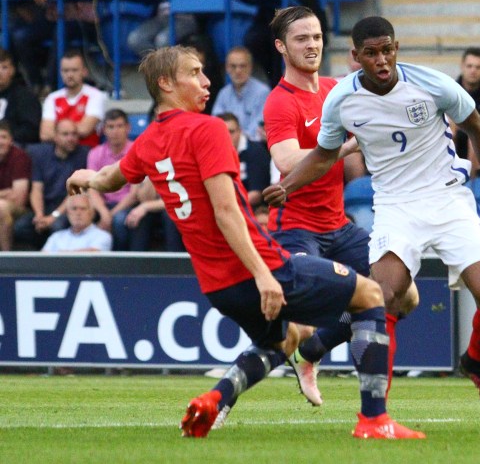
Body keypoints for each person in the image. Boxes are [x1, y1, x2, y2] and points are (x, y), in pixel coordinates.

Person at [66, 45, 424, 440]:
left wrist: (91, 177)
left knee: (282, 339)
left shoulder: (149, 140)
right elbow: (226, 212)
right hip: (264, 266)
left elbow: (117, 175)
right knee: (370, 294)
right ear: (166, 83)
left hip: (218, 286)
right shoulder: (209, 129)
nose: (206, 82)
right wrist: (264, 276)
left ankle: (215, 401)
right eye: (195, 73)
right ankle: (375, 420)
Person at [263, 16, 480, 417]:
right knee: (382, 299)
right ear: (355, 57)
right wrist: (289, 185)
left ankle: (474, 362)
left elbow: (478, 128)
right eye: (372, 53)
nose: (382, 60)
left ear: (396, 47)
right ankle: (375, 413)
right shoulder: (342, 99)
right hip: (396, 205)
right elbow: (326, 155)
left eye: (388, 50)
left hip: (447, 198)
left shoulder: (431, 84)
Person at [258, 5, 377, 412]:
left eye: (317, 37)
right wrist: (347, 145)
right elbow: (290, 162)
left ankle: (313, 351)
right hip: (295, 229)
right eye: (301, 39)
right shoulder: (279, 103)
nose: (312, 45)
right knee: (297, 324)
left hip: (338, 226)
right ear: (281, 46)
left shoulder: (334, 89)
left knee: (397, 292)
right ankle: (223, 396)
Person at [14, 119, 89, 248]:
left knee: (57, 226)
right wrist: (39, 215)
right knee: (20, 227)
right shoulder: (41, 155)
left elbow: (75, 192)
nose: (71, 138)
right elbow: (36, 189)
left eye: (74, 134)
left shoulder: (83, 155)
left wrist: (54, 216)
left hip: (67, 208)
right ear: (55, 136)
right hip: (44, 207)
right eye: (65, 134)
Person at [39, 50, 106, 148]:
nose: (70, 75)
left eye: (74, 70)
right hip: (59, 153)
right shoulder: (52, 98)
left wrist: (59, 132)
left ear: (84, 72)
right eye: (66, 70)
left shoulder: (96, 95)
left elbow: (85, 129)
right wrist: (73, 131)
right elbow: (45, 134)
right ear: (61, 72)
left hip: (86, 151)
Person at [85, 109, 137, 235]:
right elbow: (92, 189)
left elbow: (134, 193)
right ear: (104, 130)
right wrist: (104, 212)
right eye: (110, 127)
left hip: (128, 203)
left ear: (128, 128)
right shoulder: (95, 153)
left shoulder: (136, 151)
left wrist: (110, 215)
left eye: (120, 126)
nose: (115, 131)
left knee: (119, 220)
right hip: (103, 203)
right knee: (81, 216)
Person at [210, 47, 270, 142]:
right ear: (227, 68)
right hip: (227, 144)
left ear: (250, 67)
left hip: (250, 147)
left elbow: (256, 131)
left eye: (242, 66)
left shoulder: (262, 92)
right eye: (233, 66)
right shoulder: (224, 93)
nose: (238, 71)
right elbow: (215, 124)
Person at [218, 112, 270, 207]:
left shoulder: (256, 151)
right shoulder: (212, 153)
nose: (227, 136)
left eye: (231, 131)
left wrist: (230, 208)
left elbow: (256, 194)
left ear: (240, 131)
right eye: (223, 132)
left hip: (255, 209)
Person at [41, 193, 112, 252]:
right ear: (68, 213)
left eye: (83, 209)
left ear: (92, 213)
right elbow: (42, 259)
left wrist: (60, 253)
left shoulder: (102, 236)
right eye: (74, 209)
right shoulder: (56, 237)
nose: (78, 213)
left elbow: (93, 255)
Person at [0, 47, 41, 145]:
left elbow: (31, 130)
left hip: (14, 148)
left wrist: (6, 139)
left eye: (4, 67)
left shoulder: (25, 96)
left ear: (12, 70)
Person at [0, 120, 30, 250]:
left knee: (1, 207)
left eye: (4, 137)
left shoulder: (19, 157)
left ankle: (6, 261)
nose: (0, 142)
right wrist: (5, 193)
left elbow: (19, 198)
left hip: (20, 209)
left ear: (11, 140)